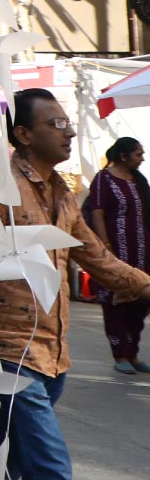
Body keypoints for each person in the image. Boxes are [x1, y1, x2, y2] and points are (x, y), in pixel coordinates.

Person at [0, 91, 150, 480]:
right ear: (22, 134)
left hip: (52, 355)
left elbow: (96, 256)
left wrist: (143, 285)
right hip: (7, 353)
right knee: (52, 472)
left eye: (67, 122)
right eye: (56, 124)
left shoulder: (61, 192)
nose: (70, 131)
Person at [86, 136, 150, 371]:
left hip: (142, 253)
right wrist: (104, 245)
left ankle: (133, 354)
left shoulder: (137, 180)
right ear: (123, 156)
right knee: (116, 304)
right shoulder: (104, 178)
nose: (142, 159)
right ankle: (120, 356)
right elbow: (97, 213)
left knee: (140, 303)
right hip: (116, 252)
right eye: (138, 154)